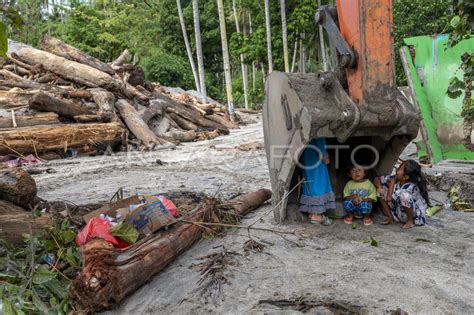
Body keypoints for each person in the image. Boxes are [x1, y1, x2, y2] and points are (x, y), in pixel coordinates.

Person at [374, 159, 430, 229]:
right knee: (380, 191)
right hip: (400, 214)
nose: (397, 169)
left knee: (404, 195)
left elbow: (389, 198)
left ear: (405, 177)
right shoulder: (396, 178)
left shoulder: (410, 186)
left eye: (400, 168)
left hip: (416, 217)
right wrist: (380, 187)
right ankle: (390, 217)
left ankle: (410, 221)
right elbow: (376, 179)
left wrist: (392, 183)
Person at [299, 138, 335, 226]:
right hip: (316, 156)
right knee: (319, 182)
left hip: (307, 155)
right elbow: (319, 137)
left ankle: (312, 212)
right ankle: (317, 215)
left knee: (310, 181)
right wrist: (324, 154)